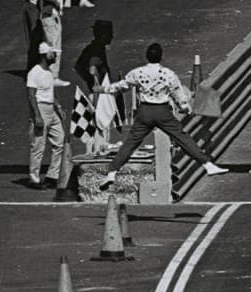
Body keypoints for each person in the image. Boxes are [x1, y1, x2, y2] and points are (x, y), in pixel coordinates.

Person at [95, 43, 229, 186]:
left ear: (147, 57)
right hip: (162, 111)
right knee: (182, 138)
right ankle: (207, 164)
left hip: (145, 111)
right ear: (161, 57)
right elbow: (178, 94)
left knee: (131, 142)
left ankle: (112, 172)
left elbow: (122, 86)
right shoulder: (168, 74)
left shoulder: (138, 72)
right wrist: (185, 108)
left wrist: (103, 89)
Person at [26, 42, 70, 188]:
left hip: (51, 110)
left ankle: (53, 175)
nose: (55, 56)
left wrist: (58, 106)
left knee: (60, 141)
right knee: (38, 146)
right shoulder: (34, 72)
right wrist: (37, 116)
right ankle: (34, 178)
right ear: (45, 55)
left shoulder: (49, 72)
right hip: (41, 109)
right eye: (53, 53)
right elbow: (31, 96)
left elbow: (51, 91)